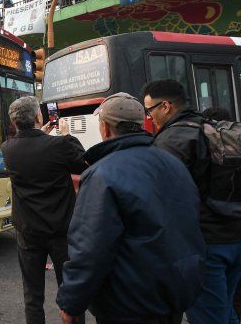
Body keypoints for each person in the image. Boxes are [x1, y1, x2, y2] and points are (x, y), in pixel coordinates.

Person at [57, 93, 206, 324]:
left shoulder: (102, 174)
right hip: (175, 292)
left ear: (105, 128)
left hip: (129, 303)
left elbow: (90, 248)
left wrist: (71, 302)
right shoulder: (173, 162)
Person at [142, 80, 241, 324]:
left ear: (165, 106)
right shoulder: (211, 126)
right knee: (227, 310)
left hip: (205, 245)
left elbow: (161, 202)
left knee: (208, 316)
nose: (149, 116)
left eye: (150, 109)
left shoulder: (171, 141)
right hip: (235, 236)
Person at [0, 96, 87, 324]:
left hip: (28, 232)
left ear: (14, 123)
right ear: (39, 117)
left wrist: (44, 135)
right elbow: (84, 164)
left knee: (32, 295)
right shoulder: (61, 145)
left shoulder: (8, 148)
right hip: (61, 231)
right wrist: (67, 134)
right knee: (71, 291)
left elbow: (34, 149)